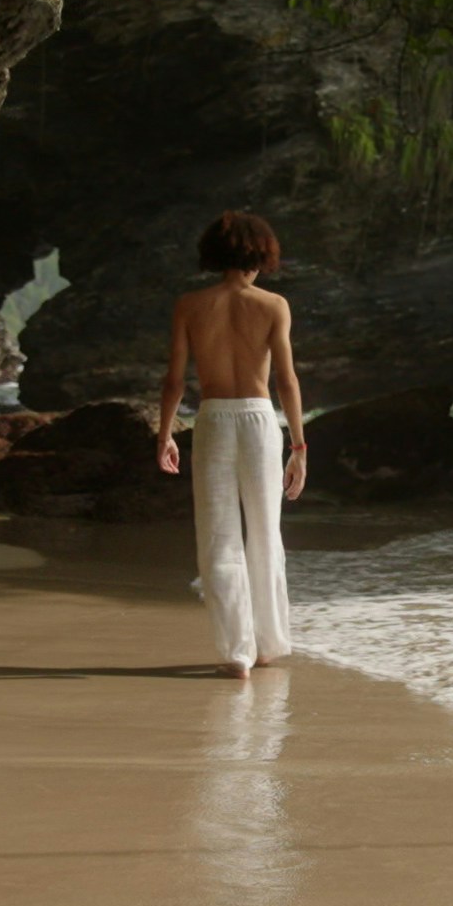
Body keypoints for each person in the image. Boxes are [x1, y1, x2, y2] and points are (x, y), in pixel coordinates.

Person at [155, 210, 304, 680]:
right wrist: (299, 446)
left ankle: (237, 653)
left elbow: (174, 380)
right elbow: (286, 380)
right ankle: (268, 644)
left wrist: (164, 433)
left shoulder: (190, 305)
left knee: (218, 535)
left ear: (215, 254)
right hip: (260, 421)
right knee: (265, 532)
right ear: (261, 255)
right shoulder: (274, 305)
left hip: (214, 419)